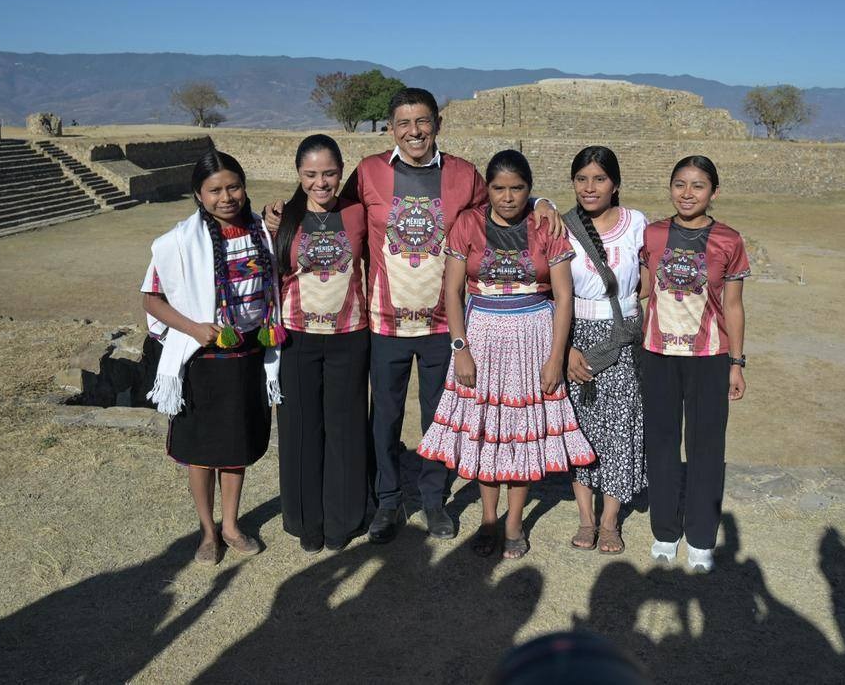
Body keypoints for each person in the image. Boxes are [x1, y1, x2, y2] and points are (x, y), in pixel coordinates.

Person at [265, 87, 561, 544]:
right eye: (404, 123)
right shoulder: (369, 173)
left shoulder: (463, 174)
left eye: (422, 121)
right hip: (384, 324)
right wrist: (282, 214)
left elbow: (504, 202)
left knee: (437, 418)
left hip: (444, 325)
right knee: (384, 417)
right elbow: (327, 204)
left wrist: (542, 202)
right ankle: (386, 500)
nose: (414, 131)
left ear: (437, 124)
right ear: (391, 128)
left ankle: (433, 499)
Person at [417, 150, 595, 559]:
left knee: (519, 432)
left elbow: (563, 297)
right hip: (481, 339)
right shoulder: (467, 224)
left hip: (533, 339)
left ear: (530, 190)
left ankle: (514, 523)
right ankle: (488, 519)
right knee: (487, 431)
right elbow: (453, 292)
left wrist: (555, 357)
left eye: (518, 188)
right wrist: (460, 349)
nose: (508, 197)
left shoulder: (545, 226)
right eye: (499, 188)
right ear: (488, 189)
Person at [141, 150, 282, 565]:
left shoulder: (263, 231)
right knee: (201, 452)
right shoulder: (177, 243)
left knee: (236, 446)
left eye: (233, 187)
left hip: (249, 356)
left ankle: (231, 525)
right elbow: (151, 299)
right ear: (198, 195)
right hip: (201, 361)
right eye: (215, 190)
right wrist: (194, 328)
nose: (226, 197)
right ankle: (207, 531)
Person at [639, 155, 748, 573]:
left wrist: (736, 363)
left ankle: (701, 537)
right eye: (680, 184)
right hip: (658, 354)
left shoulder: (729, 240)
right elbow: (643, 287)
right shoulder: (653, 234)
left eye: (698, 185)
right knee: (662, 444)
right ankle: (665, 531)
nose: (687, 194)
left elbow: (733, 306)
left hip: (709, 357)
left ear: (713, 192)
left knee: (706, 448)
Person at [274, 134, 369, 553]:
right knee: (300, 429)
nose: (321, 183)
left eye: (329, 173)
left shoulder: (358, 212)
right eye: (311, 174)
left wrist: (540, 202)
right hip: (296, 338)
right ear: (299, 174)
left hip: (349, 335)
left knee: (345, 430)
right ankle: (305, 520)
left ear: (341, 172)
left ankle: (342, 519)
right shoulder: (283, 218)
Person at [561, 146, 648, 554]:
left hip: (622, 336)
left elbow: (647, 279)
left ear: (615, 184)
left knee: (619, 426)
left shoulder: (637, 224)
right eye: (581, 179)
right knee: (580, 425)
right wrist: (565, 349)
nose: (589, 187)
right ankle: (586, 518)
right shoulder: (562, 226)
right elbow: (553, 290)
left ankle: (610, 520)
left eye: (599, 179)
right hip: (575, 335)